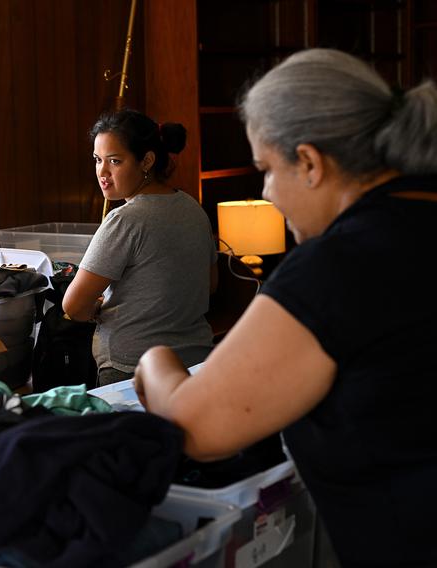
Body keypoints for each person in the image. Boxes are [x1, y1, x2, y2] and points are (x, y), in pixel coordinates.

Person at [134, 48, 437, 567]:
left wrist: (153, 362)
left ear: (311, 162)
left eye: (267, 170)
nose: (268, 194)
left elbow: (197, 428)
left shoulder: (340, 265)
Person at [63, 108, 217, 387]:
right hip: (197, 364)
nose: (103, 172)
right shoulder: (193, 208)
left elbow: (73, 306)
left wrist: (95, 310)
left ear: (146, 160)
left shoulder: (125, 219)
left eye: (115, 161)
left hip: (133, 370)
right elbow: (210, 286)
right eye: (98, 160)